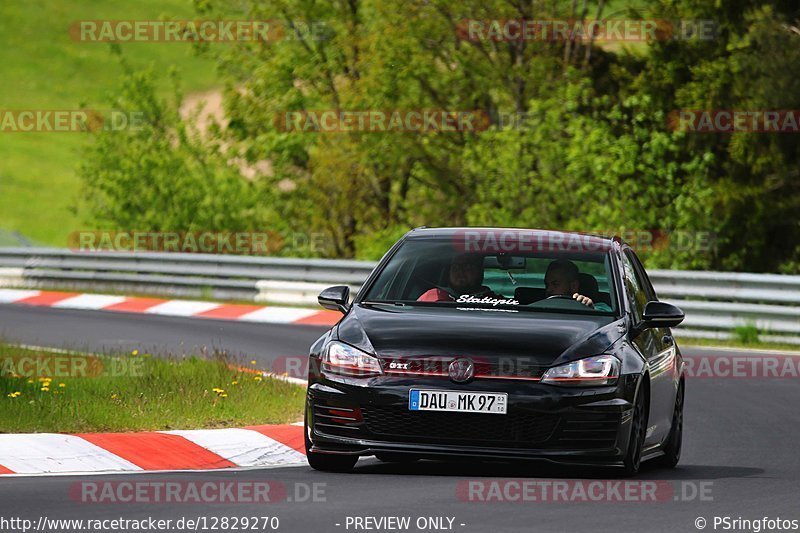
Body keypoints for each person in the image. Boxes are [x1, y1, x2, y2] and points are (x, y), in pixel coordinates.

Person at [417, 253, 502, 302]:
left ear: (479, 271)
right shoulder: (431, 297)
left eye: (467, 267)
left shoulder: (495, 302)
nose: (460, 271)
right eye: (456, 267)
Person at [544, 259, 610, 310]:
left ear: (574, 286)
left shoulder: (600, 307)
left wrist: (590, 309)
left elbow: (608, 317)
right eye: (546, 284)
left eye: (555, 284)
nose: (548, 290)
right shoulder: (538, 307)